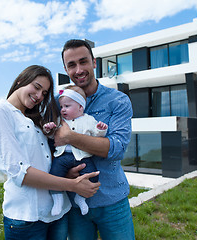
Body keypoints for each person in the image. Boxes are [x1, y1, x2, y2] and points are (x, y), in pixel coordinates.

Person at [0, 65, 100, 240]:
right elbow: (19, 172)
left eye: (45, 93)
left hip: (58, 213)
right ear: (20, 80)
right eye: (37, 87)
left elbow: (48, 160)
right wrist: (72, 185)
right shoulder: (0, 111)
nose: (39, 96)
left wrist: (68, 174)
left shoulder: (35, 118)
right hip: (27, 216)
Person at [54, 39, 135, 240]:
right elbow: (50, 145)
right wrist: (67, 173)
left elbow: (116, 148)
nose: (78, 69)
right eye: (71, 65)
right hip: (74, 204)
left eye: (83, 62)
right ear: (65, 68)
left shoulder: (118, 100)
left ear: (94, 62)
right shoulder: (59, 102)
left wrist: (70, 137)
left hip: (112, 201)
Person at [43, 85, 108, 216]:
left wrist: (101, 129)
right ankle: (58, 200)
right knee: (54, 175)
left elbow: (97, 135)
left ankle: (81, 198)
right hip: (62, 156)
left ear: (80, 107)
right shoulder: (59, 121)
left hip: (83, 157)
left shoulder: (88, 120)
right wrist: (49, 128)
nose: (63, 110)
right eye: (61, 107)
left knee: (93, 176)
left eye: (67, 106)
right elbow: (51, 136)